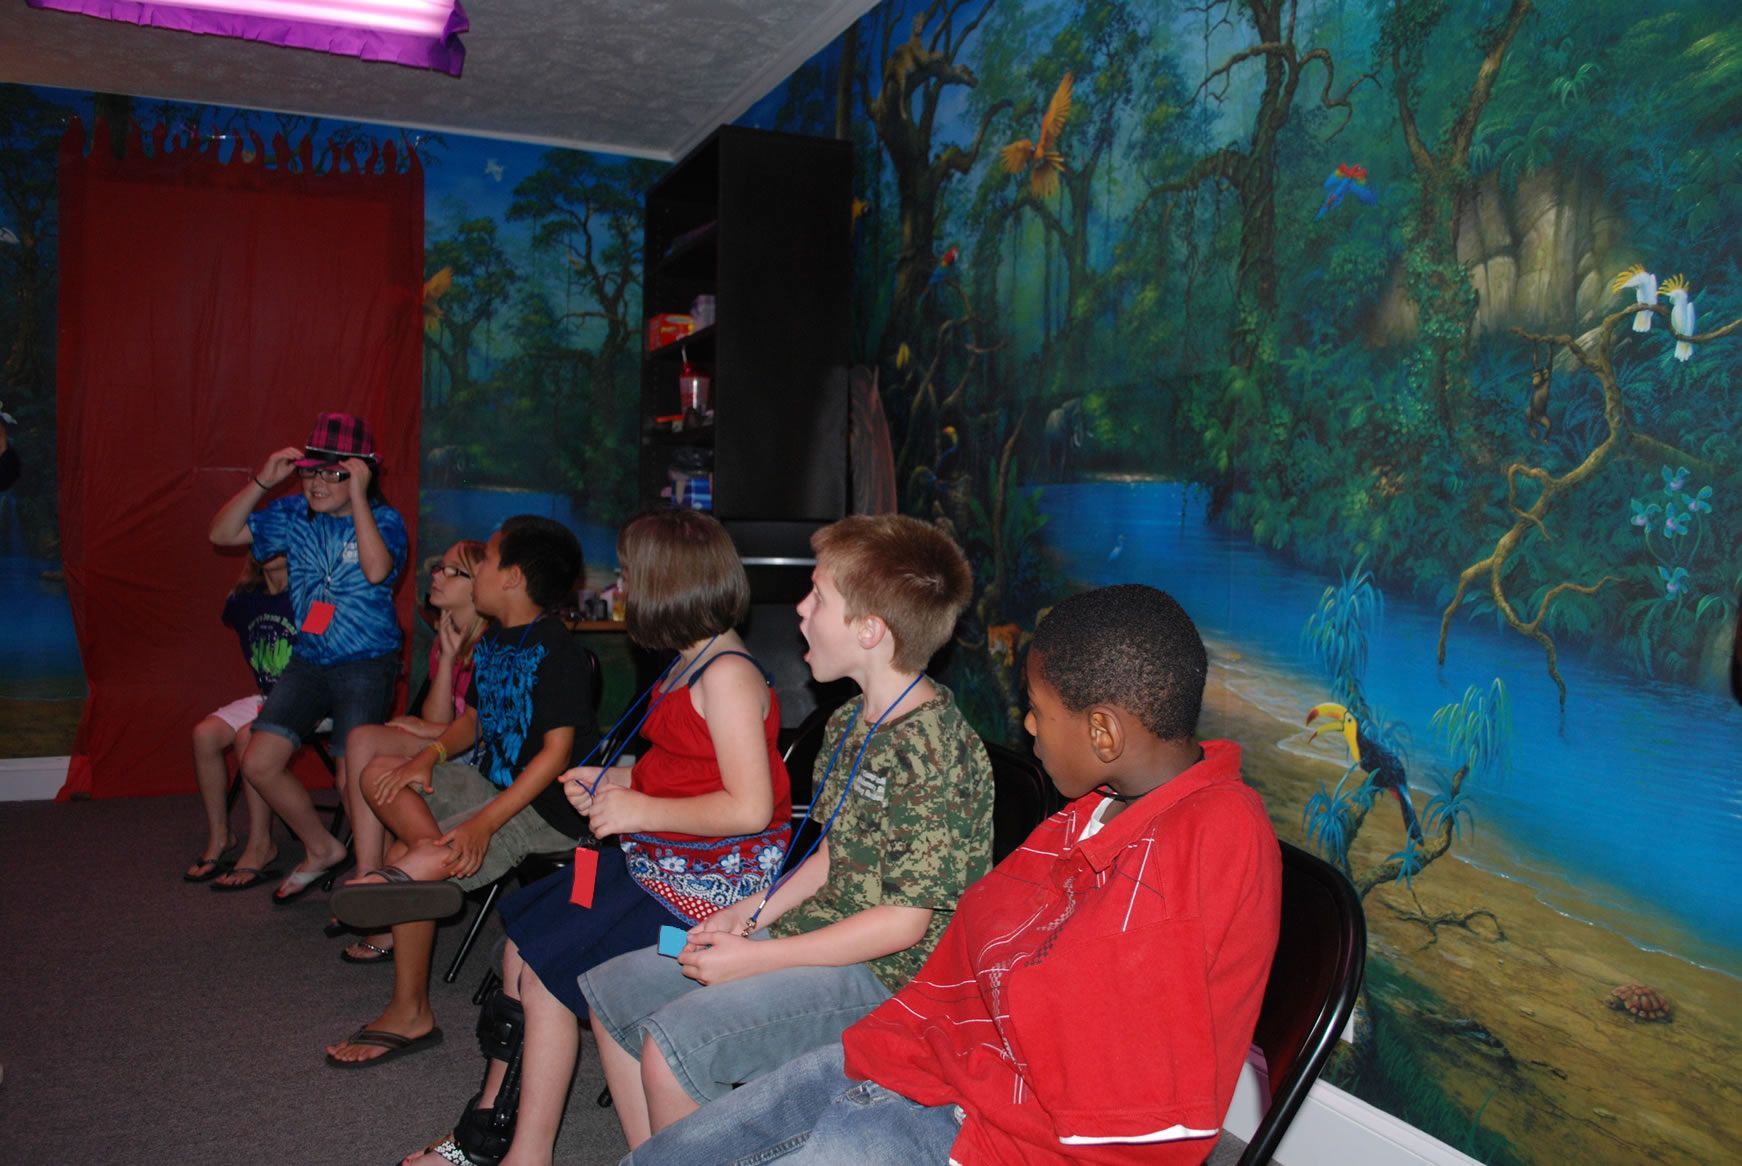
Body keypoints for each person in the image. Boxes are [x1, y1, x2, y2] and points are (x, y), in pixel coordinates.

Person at [625, 583, 1283, 1166]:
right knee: (683, 1151)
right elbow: (990, 939)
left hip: (1000, 1130)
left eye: (1037, 710)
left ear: (1103, 734)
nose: (1027, 726)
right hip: (940, 1062)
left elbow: (1114, 1081)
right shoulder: (1093, 813)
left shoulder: (1211, 835)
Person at [395, 507, 793, 1166]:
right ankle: (512, 1138)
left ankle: (519, 1148)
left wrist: (635, 808)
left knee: (547, 961)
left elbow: (751, 808)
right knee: (527, 945)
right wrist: (619, 777)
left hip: (701, 893)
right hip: (664, 861)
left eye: (634, 576)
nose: (624, 589)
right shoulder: (690, 662)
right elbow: (695, 769)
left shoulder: (725, 675)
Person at [582, 513, 993, 1151]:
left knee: (672, 1046)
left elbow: (904, 923)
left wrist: (758, 958)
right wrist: (745, 915)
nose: (800, 610)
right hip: (815, 934)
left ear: (869, 630)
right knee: (615, 993)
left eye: (818, 598)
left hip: (891, 977)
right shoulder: (852, 719)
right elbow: (834, 852)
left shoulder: (934, 752)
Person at [322, 515, 600, 1069]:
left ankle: (411, 1010)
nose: (478, 571)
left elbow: (555, 758)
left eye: (489, 560)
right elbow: (473, 720)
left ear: (514, 577)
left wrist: (482, 825)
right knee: (378, 770)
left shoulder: (557, 651)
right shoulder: (496, 638)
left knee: (408, 865)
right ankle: (432, 851)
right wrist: (426, 757)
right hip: (487, 781)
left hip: (546, 810)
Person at [207, 411, 409, 902]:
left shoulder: (385, 520)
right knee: (258, 760)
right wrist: (261, 482)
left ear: (360, 472)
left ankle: (369, 880)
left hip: (365, 662)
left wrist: (358, 497)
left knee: (350, 776)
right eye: (311, 470)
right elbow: (221, 534)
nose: (317, 482)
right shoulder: (292, 513)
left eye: (332, 472)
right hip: (309, 660)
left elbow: (378, 569)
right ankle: (321, 849)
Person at [334, 539, 491, 962]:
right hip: (450, 741)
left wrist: (426, 729)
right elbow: (439, 715)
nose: (435, 576)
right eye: (438, 566)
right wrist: (447, 657)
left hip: (476, 753)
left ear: (480, 584)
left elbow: (485, 730)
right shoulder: (449, 633)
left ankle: (379, 891)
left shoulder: (493, 641)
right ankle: (368, 872)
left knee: (374, 751)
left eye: (450, 570)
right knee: (362, 740)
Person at [184, 553, 294, 886]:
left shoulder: (310, 594)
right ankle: (221, 837)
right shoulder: (245, 598)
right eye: (262, 540)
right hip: (268, 694)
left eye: (279, 541)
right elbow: (230, 611)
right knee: (204, 734)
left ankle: (262, 844)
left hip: (309, 700)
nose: (269, 548)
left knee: (250, 735)